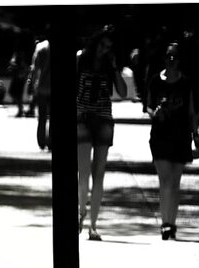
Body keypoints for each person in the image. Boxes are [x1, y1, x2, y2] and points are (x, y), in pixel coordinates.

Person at [76, 25, 128, 241]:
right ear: (95, 43)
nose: (104, 49)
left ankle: (93, 225)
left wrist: (115, 68)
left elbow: (124, 93)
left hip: (104, 120)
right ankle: (80, 213)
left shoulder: (109, 66)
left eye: (108, 47)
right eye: (102, 44)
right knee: (84, 172)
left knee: (99, 174)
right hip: (82, 119)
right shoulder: (81, 59)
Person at [146, 42, 199, 240]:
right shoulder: (155, 81)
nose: (171, 60)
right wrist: (156, 113)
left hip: (181, 135)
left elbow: (191, 112)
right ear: (164, 58)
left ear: (179, 61)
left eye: (175, 57)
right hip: (160, 135)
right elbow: (149, 107)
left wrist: (196, 136)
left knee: (175, 181)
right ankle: (164, 223)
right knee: (164, 180)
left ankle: (172, 223)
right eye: (168, 56)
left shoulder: (186, 83)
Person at [27, 36, 51, 150]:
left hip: (41, 86)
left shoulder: (40, 47)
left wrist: (31, 85)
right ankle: (51, 141)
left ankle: (41, 141)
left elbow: (35, 68)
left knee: (41, 116)